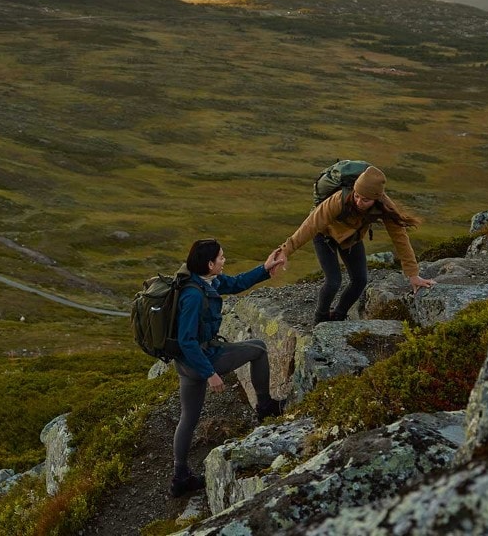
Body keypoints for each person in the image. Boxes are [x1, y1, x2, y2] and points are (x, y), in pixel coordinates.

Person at [170, 238, 286, 498]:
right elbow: (186, 340)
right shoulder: (193, 295)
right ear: (210, 264)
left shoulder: (206, 280)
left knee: (188, 417)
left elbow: (236, 284)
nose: (224, 260)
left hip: (187, 363)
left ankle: (180, 477)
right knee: (259, 349)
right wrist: (210, 373)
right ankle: (265, 406)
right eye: (221, 257)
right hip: (200, 361)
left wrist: (265, 268)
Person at [270, 166, 436, 324]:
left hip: (351, 239)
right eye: (356, 195)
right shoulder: (338, 199)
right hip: (324, 236)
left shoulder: (385, 206)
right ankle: (320, 319)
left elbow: (400, 238)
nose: (358, 201)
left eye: (365, 200)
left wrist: (413, 274)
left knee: (360, 280)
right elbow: (310, 225)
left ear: (376, 199)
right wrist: (285, 250)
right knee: (333, 281)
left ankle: (338, 317)